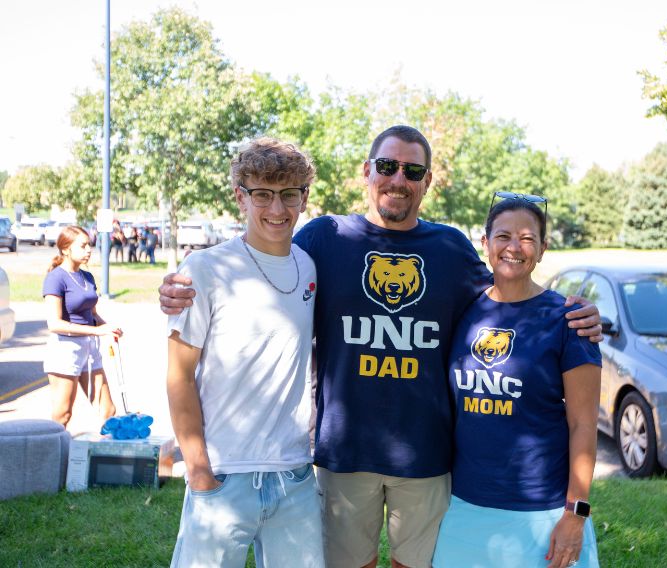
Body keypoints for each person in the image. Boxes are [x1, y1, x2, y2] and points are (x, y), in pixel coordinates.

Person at [159, 125, 602, 568]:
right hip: (345, 451)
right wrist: (183, 286)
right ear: (367, 171)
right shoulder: (326, 237)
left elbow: (508, 289)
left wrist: (566, 310)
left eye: (413, 171)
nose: (398, 179)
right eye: (388, 166)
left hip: (426, 453)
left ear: (427, 181)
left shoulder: (450, 247)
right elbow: (264, 259)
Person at [166, 137, 323, 568]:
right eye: (263, 195)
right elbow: (179, 375)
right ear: (241, 196)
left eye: (289, 194)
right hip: (223, 470)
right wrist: (198, 469)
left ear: (304, 197)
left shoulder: (309, 266)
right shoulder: (205, 269)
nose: (277, 209)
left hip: (294, 474)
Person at [433, 194, 601, 568]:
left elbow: (584, 424)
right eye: (503, 236)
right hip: (464, 507)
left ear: (542, 249)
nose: (514, 247)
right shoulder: (462, 310)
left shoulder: (569, 320)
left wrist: (575, 514)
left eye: (527, 238)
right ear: (486, 243)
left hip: (543, 511)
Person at [42, 226, 122, 427]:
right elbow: (54, 323)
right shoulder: (56, 278)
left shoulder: (87, 277)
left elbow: (92, 315)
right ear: (66, 248)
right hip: (65, 349)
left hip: (90, 347)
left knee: (108, 410)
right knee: (63, 414)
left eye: (90, 245)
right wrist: (97, 331)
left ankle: (105, 456)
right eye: (83, 246)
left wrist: (108, 327)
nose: (89, 250)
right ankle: (53, 455)